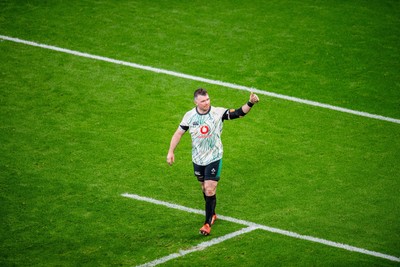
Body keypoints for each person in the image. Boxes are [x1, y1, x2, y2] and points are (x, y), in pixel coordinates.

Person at [166, 88, 259, 235]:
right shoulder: (189, 116)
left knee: (210, 189)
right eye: (203, 101)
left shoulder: (217, 113)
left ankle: (207, 224)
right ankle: (212, 213)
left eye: (208, 99)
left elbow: (239, 113)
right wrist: (171, 151)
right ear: (196, 102)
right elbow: (178, 133)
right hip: (198, 158)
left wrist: (250, 103)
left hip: (214, 157)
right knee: (204, 188)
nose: (206, 103)